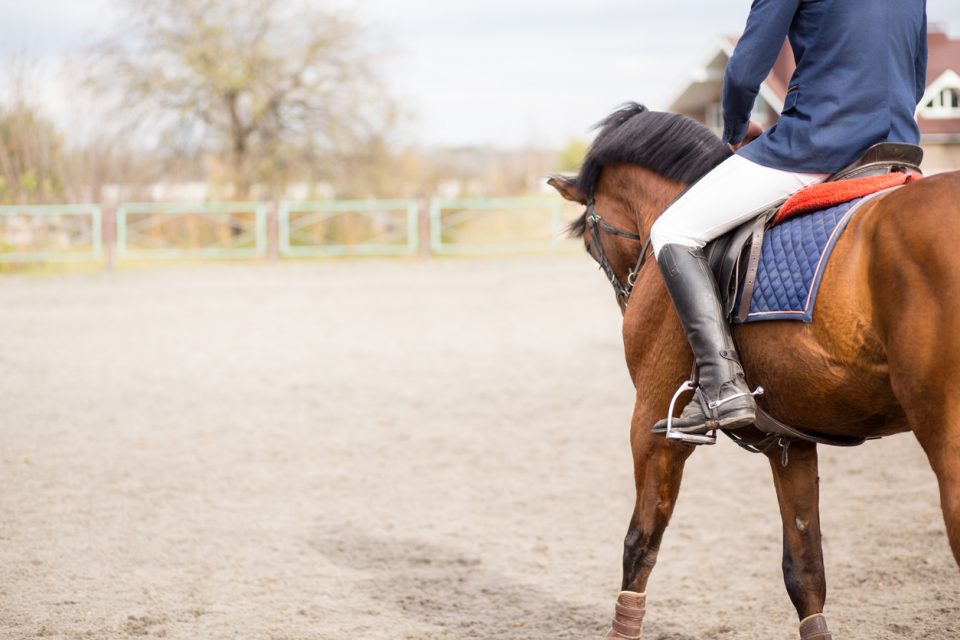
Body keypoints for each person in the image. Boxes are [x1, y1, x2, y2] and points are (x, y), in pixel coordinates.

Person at [650, 0, 928, 438]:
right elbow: (915, 77)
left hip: (819, 144)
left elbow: (744, 72)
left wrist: (735, 131)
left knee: (672, 229)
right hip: (897, 150)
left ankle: (722, 386)